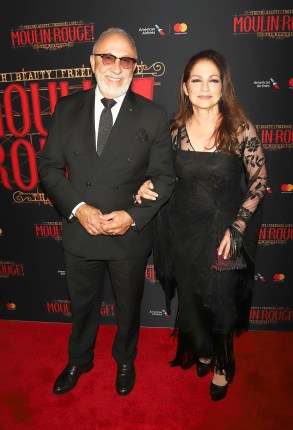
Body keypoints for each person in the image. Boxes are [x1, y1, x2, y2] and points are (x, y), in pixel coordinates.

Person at [38, 27, 175, 396]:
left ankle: (125, 360)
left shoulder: (153, 114)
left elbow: (165, 176)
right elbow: (49, 168)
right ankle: (79, 359)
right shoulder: (68, 107)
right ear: (93, 62)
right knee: (81, 306)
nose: (116, 68)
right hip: (81, 229)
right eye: (108, 58)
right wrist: (79, 209)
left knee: (128, 309)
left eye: (125, 60)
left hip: (127, 234)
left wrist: (131, 216)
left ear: (135, 67)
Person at [135, 49, 267, 401]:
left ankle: (223, 363)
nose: (205, 88)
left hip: (225, 230)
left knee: (221, 299)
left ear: (224, 86)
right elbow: (165, 177)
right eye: (197, 80)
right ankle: (204, 348)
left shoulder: (240, 128)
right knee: (193, 296)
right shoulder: (174, 131)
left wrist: (237, 227)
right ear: (184, 86)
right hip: (184, 229)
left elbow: (258, 181)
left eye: (213, 80)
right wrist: (148, 185)